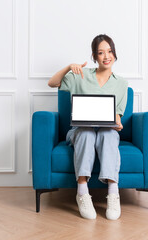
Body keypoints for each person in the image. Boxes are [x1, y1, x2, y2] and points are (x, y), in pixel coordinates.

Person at [48, 34, 128, 220]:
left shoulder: (121, 83)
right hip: (80, 130)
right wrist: (69, 67)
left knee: (108, 134)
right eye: (101, 52)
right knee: (86, 133)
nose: (106, 56)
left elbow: (118, 115)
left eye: (109, 51)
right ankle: (82, 192)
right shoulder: (80, 76)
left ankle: (113, 193)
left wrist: (118, 123)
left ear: (115, 54)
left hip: (106, 131)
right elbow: (52, 83)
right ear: (94, 56)